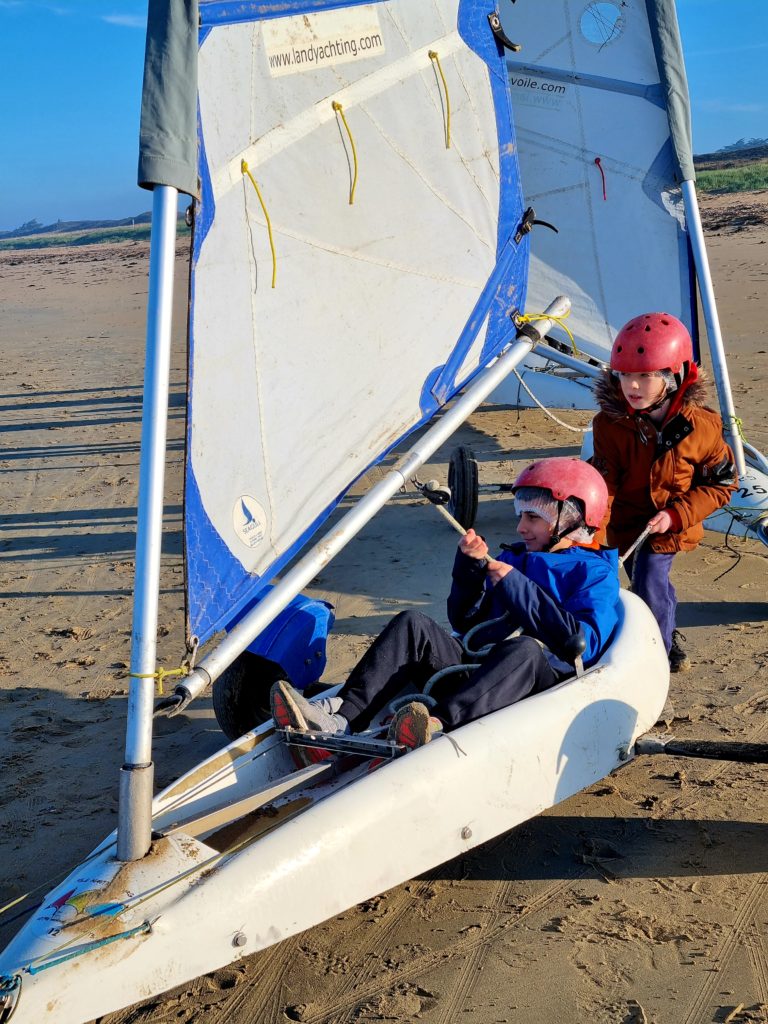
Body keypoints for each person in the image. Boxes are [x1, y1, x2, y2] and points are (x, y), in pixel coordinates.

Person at [271, 458, 620, 761]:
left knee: (524, 649)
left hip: (529, 687)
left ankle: (431, 726)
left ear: (571, 517)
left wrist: (516, 586)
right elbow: (466, 622)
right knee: (413, 624)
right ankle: (339, 718)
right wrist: (469, 568)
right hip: (477, 675)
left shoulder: (593, 572)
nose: (520, 527)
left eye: (533, 517)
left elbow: (581, 643)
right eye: (520, 515)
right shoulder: (515, 557)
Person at [591, 312, 737, 673]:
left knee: (649, 580)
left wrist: (675, 515)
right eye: (624, 374)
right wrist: (591, 536)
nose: (632, 386)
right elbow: (604, 483)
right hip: (626, 521)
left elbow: (722, 484)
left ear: (673, 377)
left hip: (671, 521)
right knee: (638, 578)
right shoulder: (608, 424)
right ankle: (667, 630)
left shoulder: (702, 426)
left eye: (646, 376)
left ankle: (655, 656)